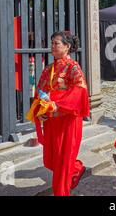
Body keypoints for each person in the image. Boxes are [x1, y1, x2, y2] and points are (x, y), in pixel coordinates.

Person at [27, 31, 90, 196]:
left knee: (62, 165)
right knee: (53, 160)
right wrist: (39, 110)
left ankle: (61, 192)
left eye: (57, 43)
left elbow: (80, 91)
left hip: (67, 121)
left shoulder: (73, 67)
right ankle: (76, 168)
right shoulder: (49, 69)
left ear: (67, 47)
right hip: (51, 122)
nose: (53, 46)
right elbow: (40, 92)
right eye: (52, 43)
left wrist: (58, 105)